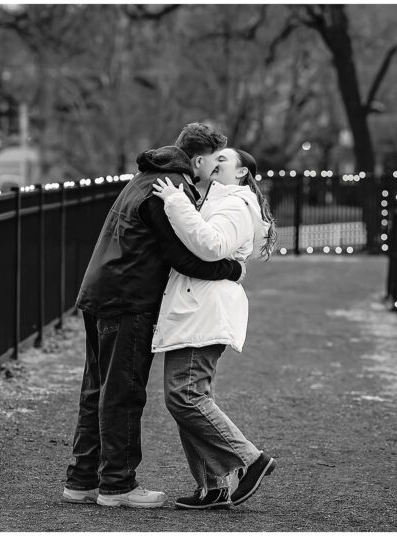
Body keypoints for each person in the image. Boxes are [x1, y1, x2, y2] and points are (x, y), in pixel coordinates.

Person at [63, 123, 244, 509]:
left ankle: (81, 480)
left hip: (101, 292)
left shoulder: (148, 177)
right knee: (123, 392)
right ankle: (117, 485)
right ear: (197, 159)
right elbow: (179, 255)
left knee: (97, 388)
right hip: (129, 299)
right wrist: (233, 269)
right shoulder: (171, 188)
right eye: (214, 163)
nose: (215, 172)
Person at [150, 147, 277, 510]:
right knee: (185, 399)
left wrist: (175, 202)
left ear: (240, 174)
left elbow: (211, 246)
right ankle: (213, 486)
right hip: (194, 306)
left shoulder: (236, 204)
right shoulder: (215, 200)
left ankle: (250, 461)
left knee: (186, 396)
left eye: (224, 160)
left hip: (204, 308)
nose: (215, 162)